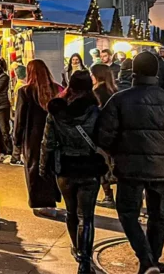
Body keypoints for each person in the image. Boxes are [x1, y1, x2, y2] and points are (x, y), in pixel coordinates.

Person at [96, 52, 164, 274]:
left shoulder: (120, 99)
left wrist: (117, 151)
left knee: (128, 213)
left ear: (134, 72)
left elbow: (104, 136)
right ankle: (151, 261)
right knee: (158, 216)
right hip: (161, 168)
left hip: (129, 168)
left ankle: (146, 260)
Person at [40, 70, 108, 274]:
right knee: (86, 218)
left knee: (71, 213)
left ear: (70, 86)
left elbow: (47, 143)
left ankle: (77, 250)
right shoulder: (95, 111)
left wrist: (43, 166)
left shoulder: (56, 111)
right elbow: (104, 139)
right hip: (89, 168)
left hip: (65, 168)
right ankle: (84, 262)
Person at [14, 59, 62, 217]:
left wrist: (16, 140)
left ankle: (40, 202)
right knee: (50, 166)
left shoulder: (25, 92)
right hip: (53, 135)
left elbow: (20, 119)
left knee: (34, 168)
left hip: (32, 136)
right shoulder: (55, 89)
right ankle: (51, 200)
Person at [90, 63, 118, 208]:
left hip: (101, 133)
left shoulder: (97, 92)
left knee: (101, 164)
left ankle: (108, 195)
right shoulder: (115, 91)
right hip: (115, 133)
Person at [9, 64, 27, 167]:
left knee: (17, 132)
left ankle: (15, 156)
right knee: (19, 133)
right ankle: (16, 157)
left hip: (16, 111)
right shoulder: (22, 86)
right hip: (18, 111)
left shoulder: (18, 84)